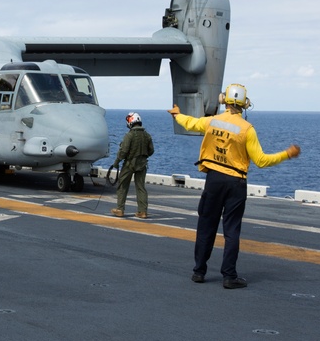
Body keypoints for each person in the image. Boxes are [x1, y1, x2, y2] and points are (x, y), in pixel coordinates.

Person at [169, 84, 300, 289]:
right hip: (236, 183)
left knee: (206, 226)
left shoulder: (213, 121)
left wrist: (177, 115)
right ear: (245, 104)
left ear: (224, 101)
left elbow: (191, 123)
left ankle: (199, 271)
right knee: (231, 230)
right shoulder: (247, 130)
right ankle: (229, 276)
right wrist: (287, 154)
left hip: (214, 180)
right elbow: (262, 161)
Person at [110, 112, 154, 218]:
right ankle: (142, 211)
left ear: (131, 122)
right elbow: (151, 151)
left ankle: (120, 209)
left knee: (122, 186)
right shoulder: (147, 135)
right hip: (142, 164)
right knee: (141, 187)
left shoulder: (129, 135)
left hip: (129, 164)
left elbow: (123, 151)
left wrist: (116, 163)